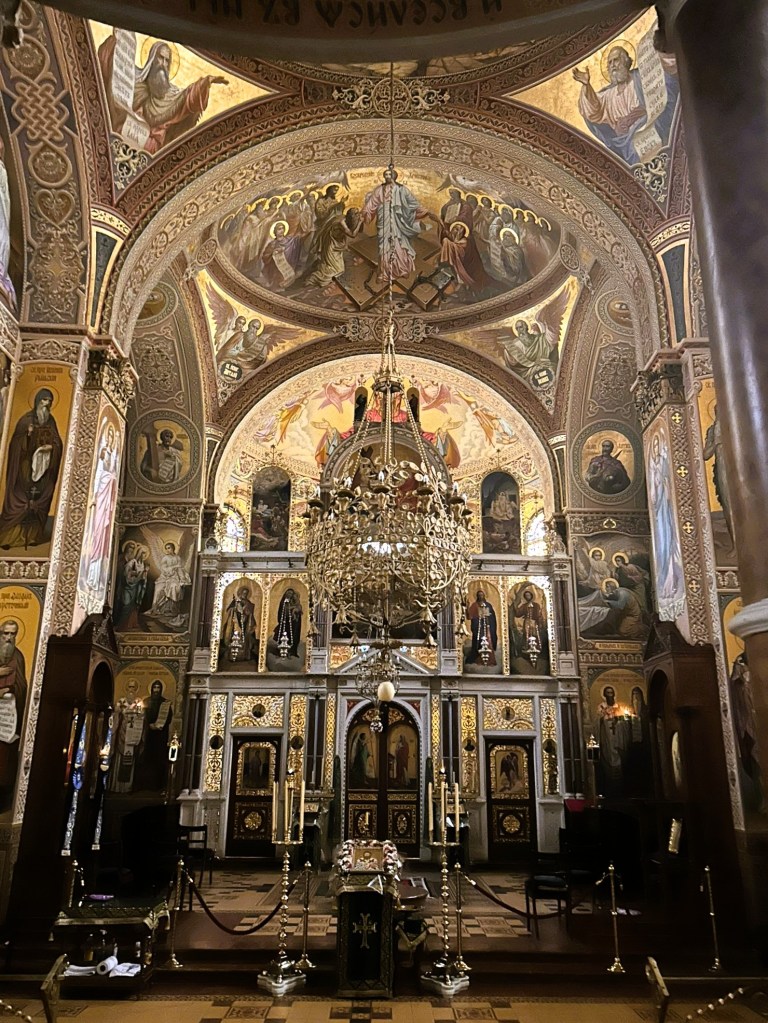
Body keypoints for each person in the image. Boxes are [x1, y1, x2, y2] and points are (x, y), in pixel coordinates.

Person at [97, 34, 229, 154]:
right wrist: (116, 43)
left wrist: (205, 83)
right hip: (119, 137)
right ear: (152, 58)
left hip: (152, 150)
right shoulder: (134, 81)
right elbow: (117, 68)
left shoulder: (172, 95)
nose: (163, 64)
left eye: (167, 60)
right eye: (160, 58)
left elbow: (188, 97)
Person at [573, 44, 679, 165]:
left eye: (616, 60)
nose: (612, 65)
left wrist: (633, 117)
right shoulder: (608, 95)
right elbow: (593, 109)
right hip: (626, 141)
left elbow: (660, 90)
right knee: (634, 152)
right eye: (610, 63)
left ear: (626, 61)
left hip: (650, 126)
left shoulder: (640, 77)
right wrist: (586, 85)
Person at [0, 388, 63, 550]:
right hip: (25, 467)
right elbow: (15, 444)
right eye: (44, 400)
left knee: (41, 495)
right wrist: (27, 436)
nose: (47, 404)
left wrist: (52, 447)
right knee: (20, 496)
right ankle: (9, 537)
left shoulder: (50, 421)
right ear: (37, 401)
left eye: (49, 401)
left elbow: (57, 442)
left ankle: (34, 535)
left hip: (44, 466)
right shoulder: (26, 420)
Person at [361, 165, 430, 281]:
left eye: (390, 174)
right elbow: (371, 204)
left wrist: (424, 211)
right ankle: (384, 272)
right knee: (384, 245)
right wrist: (364, 213)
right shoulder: (379, 189)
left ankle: (402, 269)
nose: (387, 176)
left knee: (399, 242)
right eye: (386, 175)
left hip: (398, 219)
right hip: (384, 218)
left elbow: (413, 202)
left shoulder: (402, 189)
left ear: (395, 176)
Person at [78, 422, 120, 604]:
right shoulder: (102, 453)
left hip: (107, 498)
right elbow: (99, 473)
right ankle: (91, 574)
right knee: (95, 532)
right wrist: (95, 494)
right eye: (108, 436)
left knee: (102, 535)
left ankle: (95, 577)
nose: (110, 439)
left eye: (112, 436)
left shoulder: (113, 456)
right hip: (100, 495)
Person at [648, 432, 684, 603]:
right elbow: (653, 489)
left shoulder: (663, 461)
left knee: (669, 534)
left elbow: (667, 480)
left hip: (666, 500)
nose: (655, 449)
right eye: (653, 446)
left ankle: (672, 578)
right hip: (659, 505)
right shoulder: (653, 465)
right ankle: (666, 580)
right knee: (662, 539)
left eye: (657, 445)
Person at [0, 619, 26, 812]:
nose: (9, 638)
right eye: (5, 633)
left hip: (6, 718)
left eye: (13, 634)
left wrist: (10, 691)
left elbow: (22, 686)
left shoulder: (18, 657)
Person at [703, 402, 735, 542]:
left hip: (738, 467)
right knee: (727, 503)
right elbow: (705, 455)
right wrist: (716, 442)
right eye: (717, 412)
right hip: (721, 468)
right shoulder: (712, 430)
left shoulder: (736, 425)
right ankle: (735, 542)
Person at [135, 680, 173, 792]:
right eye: (154, 687)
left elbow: (169, 718)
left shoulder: (165, 703)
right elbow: (141, 716)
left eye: (158, 688)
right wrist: (149, 724)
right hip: (148, 734)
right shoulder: (146, 701)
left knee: (160, 759)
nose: (156, 690)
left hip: (160, 735)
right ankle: (144, 785)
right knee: (146, 758)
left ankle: (159, 786)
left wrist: (159, 725)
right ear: (151, 689)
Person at [147, 541, 191, 630]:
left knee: (175, 587)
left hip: (175, 577)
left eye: (169, 548)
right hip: (165, 577)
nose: (168, 550)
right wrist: (172, 568)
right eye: (166, 548)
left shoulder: (177, 558)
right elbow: (163, 568)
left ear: (173, 548)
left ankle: (171, 609)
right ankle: (156, 608)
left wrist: (181, 577)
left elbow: (180, 568)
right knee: (159, 589)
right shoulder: (165, 558)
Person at [595, 685, 630, 797]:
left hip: (618, 737)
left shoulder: (619, 707)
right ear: (604, 695)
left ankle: (620, 787)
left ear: (614, 694)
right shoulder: (601, 707)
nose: (610, 695)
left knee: (619, 757)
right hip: (606, 737)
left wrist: (619, 721)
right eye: (608, 693)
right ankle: (609, 784)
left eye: (611, 693)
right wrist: (605, 719)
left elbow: (625, 720)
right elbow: (597, 721)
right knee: (608, 755)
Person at [219, 584, 258, 664]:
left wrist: (246, 612)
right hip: (236, 623)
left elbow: (250, 613)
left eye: (246, 593)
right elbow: (229, 611)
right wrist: (235, 610)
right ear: (240, 593)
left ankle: (245, 656)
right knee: (235, 637)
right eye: (243, 593)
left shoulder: (248, 603)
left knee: (246, 638)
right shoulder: (235, 602)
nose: (244, 595)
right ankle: (233, 656)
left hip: (246, 623)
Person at [115, 543, 149, 630]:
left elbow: (143, 577)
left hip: (137, 587)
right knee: (126, 604)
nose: (143, 555)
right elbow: (126, 573)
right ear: (138, 553)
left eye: (145, 554)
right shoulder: (132, 562)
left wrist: (144, 575)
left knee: (134, 606)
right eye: (142, 553)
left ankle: (131, 623)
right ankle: (121, 625)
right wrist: (134, 574)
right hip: (128, 586)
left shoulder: (142, 564)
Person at [466, 589, 497, 666]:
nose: (480, 596)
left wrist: (488, 617)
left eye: (482, 595)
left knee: (488, 642)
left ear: (484, 596)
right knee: (478, 642)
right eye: (479, 595)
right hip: (478, 628)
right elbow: (469, 617)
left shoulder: (488, 605)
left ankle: (490, 661)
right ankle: (477, 660)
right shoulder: (474, 605)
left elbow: (492, 617)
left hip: (487, 627)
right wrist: (468, 607)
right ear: (477, 596)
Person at [273, 588, 302, 659]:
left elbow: (299, 608)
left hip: (294, 623)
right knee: (283, 635)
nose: (289, 595)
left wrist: (295, 609)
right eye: (288, 593)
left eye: (291, 593)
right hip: (285, 622)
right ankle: (281, 651)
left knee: (294, 636)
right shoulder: (284, 602)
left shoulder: (294, 601)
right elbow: (284, 610)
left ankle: (293, 651)